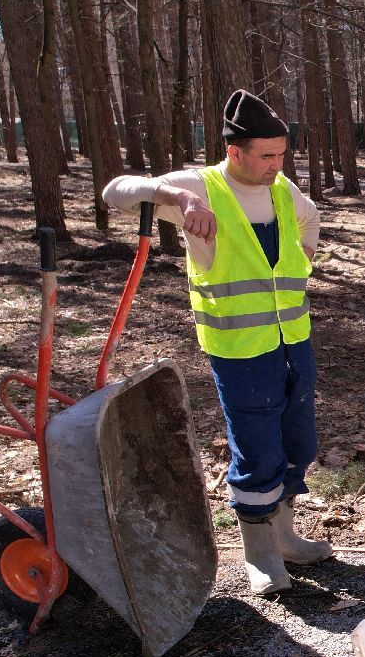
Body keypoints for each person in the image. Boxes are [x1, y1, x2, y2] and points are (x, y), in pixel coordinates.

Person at [102, 89, 331, 596]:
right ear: (234, 151)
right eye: (266, 155)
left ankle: (286, 535)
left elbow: (310, 216)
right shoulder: (201, 185)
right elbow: (115, 191)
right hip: (239, 348)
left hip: (292, 338)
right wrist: (180, 200)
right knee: (257, 447)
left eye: (281, 154)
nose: (277, 165)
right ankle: (261, 557)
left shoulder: (280, 189)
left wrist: (305, 257)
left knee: (299, 441)